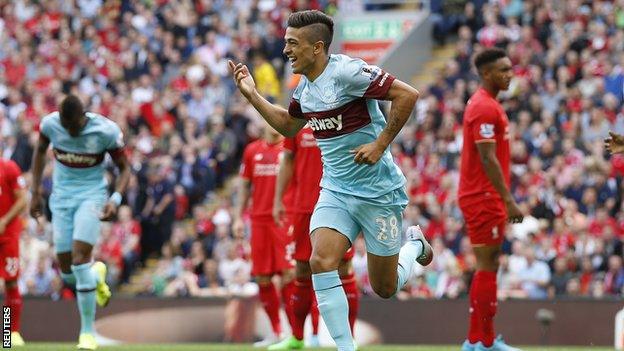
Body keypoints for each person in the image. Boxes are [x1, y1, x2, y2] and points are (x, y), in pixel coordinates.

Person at [229, 10, 432, 351]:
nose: (286, 51)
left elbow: (407, 94)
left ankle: (414, 247)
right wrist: (252, 95)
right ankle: (344, 348)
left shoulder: (348, 72)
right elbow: (289, 127)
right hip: (336, 190)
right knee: (320, 261)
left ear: (317, 47)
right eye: (285, 43)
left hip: (378, 192)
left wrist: (379, 144)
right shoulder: (305, 89)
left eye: (292, 44)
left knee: (385, 287)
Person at [30, 95, 130, 350]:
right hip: (61, 198)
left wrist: (115, 199)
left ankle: (87, 333)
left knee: (79, 259)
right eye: (64, 125)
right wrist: (35, 193)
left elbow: (124, 168)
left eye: (71, 125)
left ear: (82, 118)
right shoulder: (51, 124)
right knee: (67, 271)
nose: (68, 130)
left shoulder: (105, 130)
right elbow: (40, 152)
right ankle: (96, 277)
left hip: (91, 196)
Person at [270, 124, 359, 350]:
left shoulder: (341, 114)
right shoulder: (298, 119)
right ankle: (298, 338)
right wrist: (279, 199)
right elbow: (288, 160)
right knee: (301, 271)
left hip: (337, 203)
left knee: (344, 269)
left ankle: (351, 338)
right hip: (303, 208)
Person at [457, 48, 524, 351]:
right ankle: (482, 342)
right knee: (487, 264)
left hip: (483, 195)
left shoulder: (487, 104)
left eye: (511, 69)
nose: (510, 75)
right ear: (486, 74)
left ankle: (478, 339)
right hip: (484, 196)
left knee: (489, 265)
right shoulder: (485, 108)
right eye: (503, 70)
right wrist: (508, 199)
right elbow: (488, 158)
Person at [232, 123, 296, 347]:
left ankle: (294, 332)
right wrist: (239, 217)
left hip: (284, 219)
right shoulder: (252, 151)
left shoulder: (289, 149)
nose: (274, 122)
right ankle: (276, 331)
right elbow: (244, 186)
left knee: (289, 275)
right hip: (258, 220)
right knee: (262, 277)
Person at [0, 157, 27, 346]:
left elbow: (23, 200)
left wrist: (4, 220)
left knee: (10, 283)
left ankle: (10, 334)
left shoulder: (8, 167)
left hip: (7, 237)